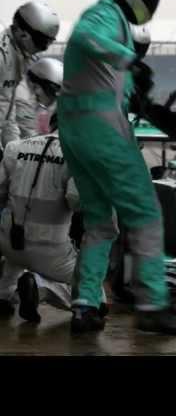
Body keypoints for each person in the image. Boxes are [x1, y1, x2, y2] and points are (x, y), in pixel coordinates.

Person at [57, 0, 176, 335]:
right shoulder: (105, 14)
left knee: (101, 222)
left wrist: (138, 95)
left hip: (74, 131)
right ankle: (151, 304)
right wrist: (130, 60)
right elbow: (83, 36)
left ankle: (85, 305)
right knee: (145, 213)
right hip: (102, 130)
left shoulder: (111, 20)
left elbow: (109, 80)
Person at [0, 113, 107, 322]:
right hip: (50, 249)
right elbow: (77, 201)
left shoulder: (14, 147)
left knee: (14, 261)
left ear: (53, 124)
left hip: (8, 242)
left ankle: (4, 295)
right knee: (95, 300)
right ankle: (41, 289)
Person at [0, 2, 59, 148]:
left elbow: (8, 104)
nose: (43, 49)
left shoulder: (21, 55)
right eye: (41, 42)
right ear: (22, 33)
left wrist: (14, 148)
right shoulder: (3, 56)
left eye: (48, 43)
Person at [13, 58, 63, 139]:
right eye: (53, 92)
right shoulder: (23, 102)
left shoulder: (29, 97)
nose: (54, 97)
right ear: (37, 86)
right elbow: (32, 141)